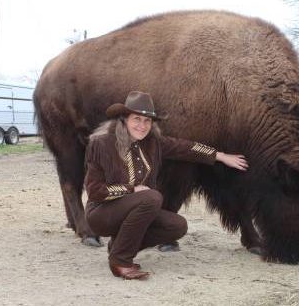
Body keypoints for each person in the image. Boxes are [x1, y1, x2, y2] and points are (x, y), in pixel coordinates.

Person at [84, 91, 248, 280]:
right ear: (124, 120)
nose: (142, 125)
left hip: (135, 212)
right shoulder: (101, 144)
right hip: (102, 214)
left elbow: (187, 148)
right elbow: (95, 191)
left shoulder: (153, 144)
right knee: (152, 197)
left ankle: (119, 246)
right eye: (136, 119)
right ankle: (120, 261)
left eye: (147, 121)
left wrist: (220, 156)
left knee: (177, 226)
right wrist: (131, 189)